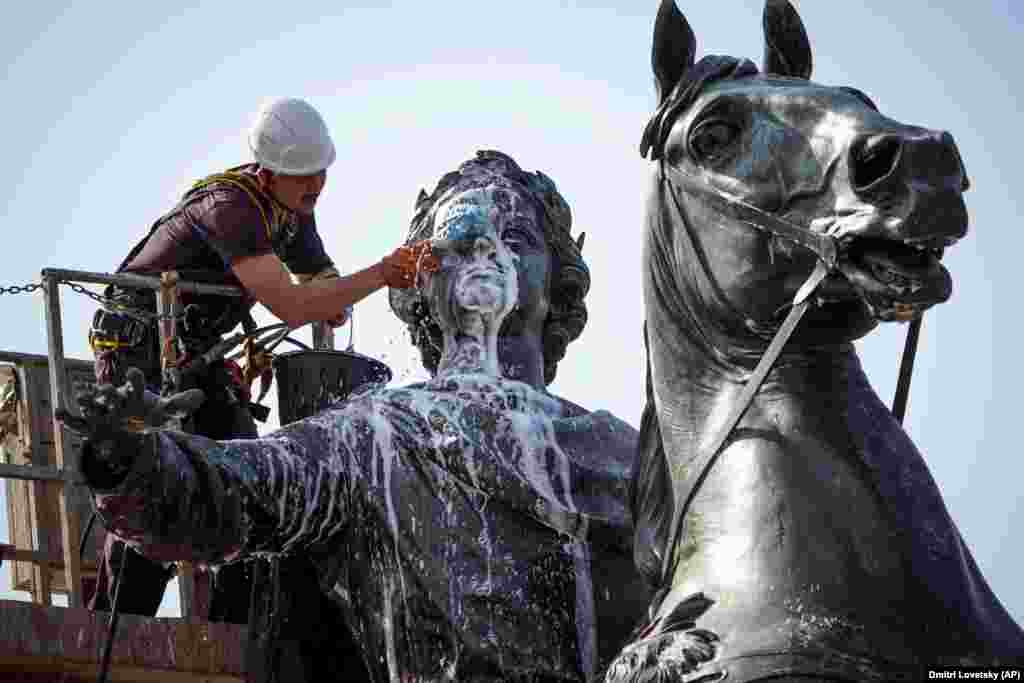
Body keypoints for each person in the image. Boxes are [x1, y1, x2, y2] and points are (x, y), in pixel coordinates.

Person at [68, 151, 648, 682]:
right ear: (419, 284)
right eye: (457, 238)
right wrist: (133, 459)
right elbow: (226, 494)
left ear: (557, 283)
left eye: (515, 236)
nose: (484, 248)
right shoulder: (368, 439)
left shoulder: (631, 460)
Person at [85, 96, 428, 622]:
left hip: (197, 353)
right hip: (138, 350)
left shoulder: (294, 211)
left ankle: (234, 629)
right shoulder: (231, 207)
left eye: (320, 175)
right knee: (150, 479)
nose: (315, 187)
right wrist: (380, 274)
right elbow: (292, 305)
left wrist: (344, 295)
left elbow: (321, 287)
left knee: (246, 477)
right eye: (302, 177)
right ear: (268, 173)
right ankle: (119, 623)